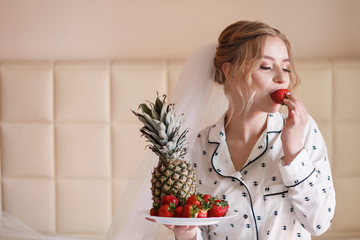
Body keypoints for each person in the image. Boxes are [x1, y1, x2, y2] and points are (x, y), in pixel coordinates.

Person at [166, 21, 336, 240]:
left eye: (286, 67)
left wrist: (293, 150)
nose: (282, 78)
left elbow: (319, 223)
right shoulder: (199, 147)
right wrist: (187, 234)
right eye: (266, 66)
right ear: (230, 72)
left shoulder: (302, 130)